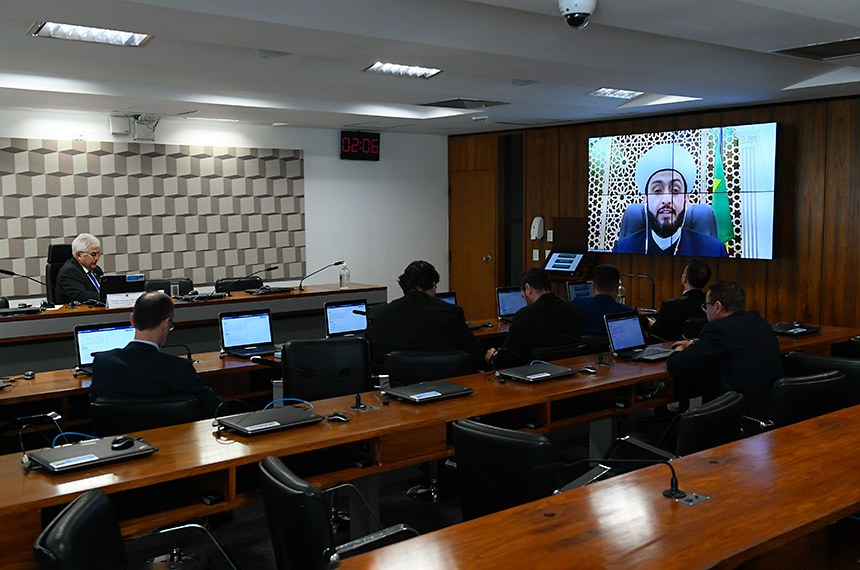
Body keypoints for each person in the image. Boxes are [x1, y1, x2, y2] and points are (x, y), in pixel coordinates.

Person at [91, 291, 224, 417]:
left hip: (116, 439)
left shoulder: (102, 362)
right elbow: (217, 408)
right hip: (171, 439)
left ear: (132, 320)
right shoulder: (180, 368)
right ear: (166, 324)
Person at [667, 280, 782, 416]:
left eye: (706, 306)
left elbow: (676, 364)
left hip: (734, 414)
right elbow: (731, 346)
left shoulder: (717, 329)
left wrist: (679, 348)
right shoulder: (760, 322)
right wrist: (694, 345)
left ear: (717, 306)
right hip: (768, 408)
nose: (705, 311)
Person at [613, 143, 729, 257]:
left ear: (686, 199)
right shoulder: (623, 249)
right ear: (646, 200)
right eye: (657, 191)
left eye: (675, 190)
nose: (667, 200)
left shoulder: (714, 251)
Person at [366, 260, 484, 371]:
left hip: (396, 385)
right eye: (436, 287)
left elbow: (373, 357)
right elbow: (475, 352)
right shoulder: (451, 312)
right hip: (447, 382)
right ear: (432, 284)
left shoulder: (379, 314)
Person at [485, 267, 582, 368]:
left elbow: (509, 359)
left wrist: (494, 357)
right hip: (570, 369)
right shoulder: (572, 308)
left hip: (535, 374)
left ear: (528, 288)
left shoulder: (525, 315)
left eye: (523, 296)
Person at [649, 258, 711, 342]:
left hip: (673, 350)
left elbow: (656, 332)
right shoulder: (710, 304)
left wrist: (652, 324)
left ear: (684, 278)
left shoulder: (671, 305)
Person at [572, 263, 633, 337]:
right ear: (617, 289)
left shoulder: (577, 304)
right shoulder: (628, 313)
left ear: (593, 286)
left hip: (585, 348)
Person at [55, 233, 104, 304]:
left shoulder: (97, 270)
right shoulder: (69, 271)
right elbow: (81, 296)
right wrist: (106, 297)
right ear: (79, 255)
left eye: (98, 254)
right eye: (93, 254)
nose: (97, 258)